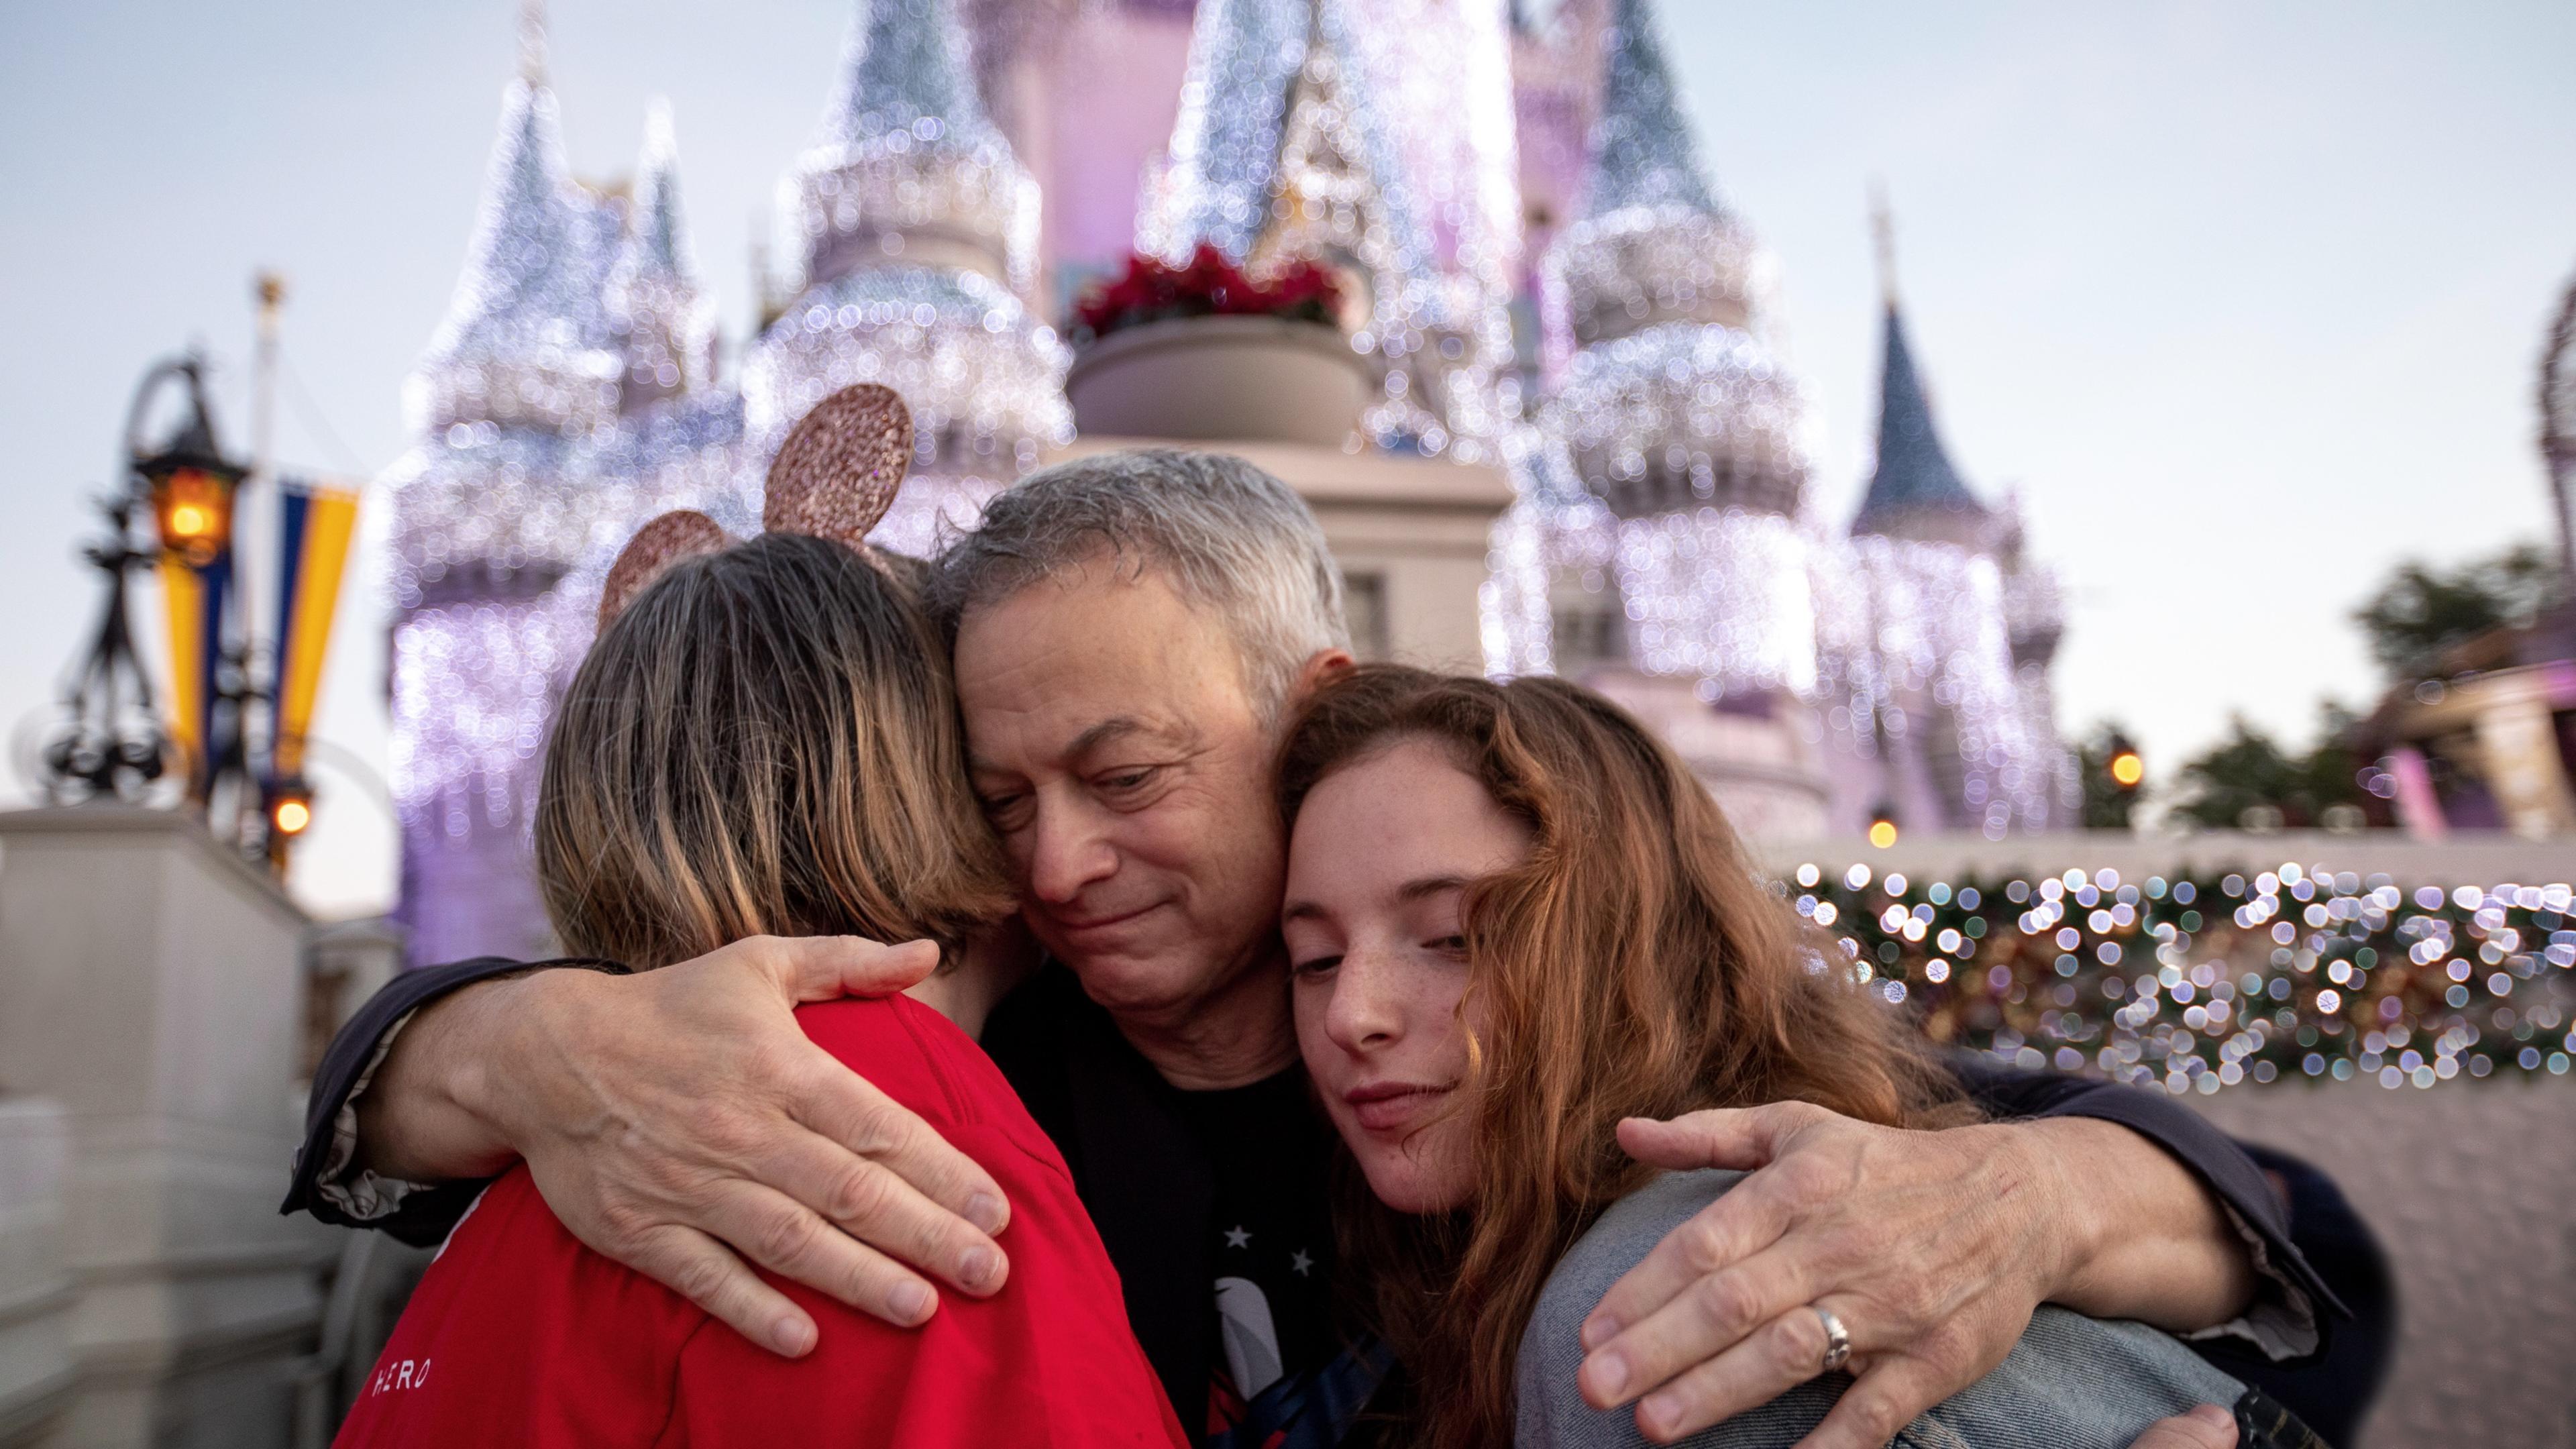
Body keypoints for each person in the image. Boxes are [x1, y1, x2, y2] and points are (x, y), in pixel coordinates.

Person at [288, 450, 2343, 1445]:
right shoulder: (967, 1082)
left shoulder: (1576, 1029)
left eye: (1127, 773)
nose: (1061, 862)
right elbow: (451, 1140)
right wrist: (518, 1045)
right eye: (999, 800)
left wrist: (2033, 1197)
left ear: (1310, 709)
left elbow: (2291, 1236)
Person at [1275, 665, 2326, 1449]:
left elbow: (2274, 1215)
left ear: (1628, 952)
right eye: (1313, 959)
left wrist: (2049, 1195)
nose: (1351, 1014)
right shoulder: (1442, 1261)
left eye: (1454, 937)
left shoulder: (1690, 1285)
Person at [331, 525, 1185, 1447]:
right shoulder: (903, 1141)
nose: (1061, 848)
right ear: (936, 784)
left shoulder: (560, 1143)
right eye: (1005, 782)